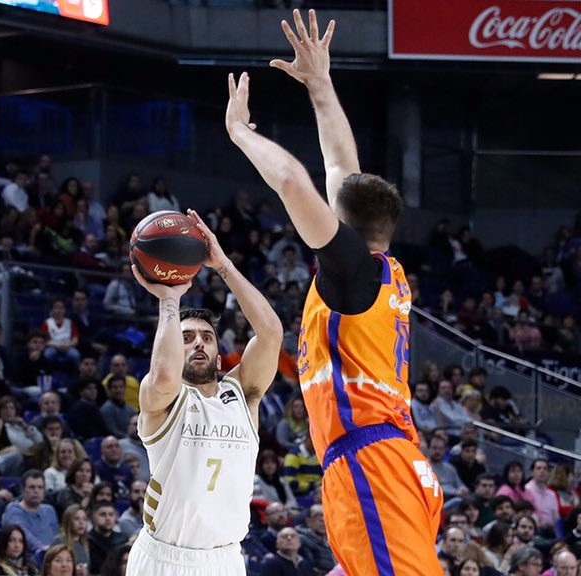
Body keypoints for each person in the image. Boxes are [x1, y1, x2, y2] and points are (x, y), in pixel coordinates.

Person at [233, 9, 442, 574]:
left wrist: (241, 134)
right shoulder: (380, 269)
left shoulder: (352, 275)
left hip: (373, 463)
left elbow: (294, 181)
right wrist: (321, 87)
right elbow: (339, 168)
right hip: (382, 460)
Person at [125, 202, 282, 574]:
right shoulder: (163, 398)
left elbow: (271, 333)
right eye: (187, 337)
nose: (199, 344)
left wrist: (223, 265)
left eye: (207, 338)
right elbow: (165, 375)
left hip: (225, 559)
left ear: (218, 350)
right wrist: (169, 299)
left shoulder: (242, 393)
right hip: (165, 559)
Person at [1, 470, 59, 554]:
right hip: (27, 560)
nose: (36, 491)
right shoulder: (13, 510)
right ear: (23, 490)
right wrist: (45, 551)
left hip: (52, 558)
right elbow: (24, 536)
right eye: (32, 487)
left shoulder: (49, 510)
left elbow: (56, 537)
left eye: (40, 487)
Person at [50, 504, 90, 574]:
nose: (81, 523)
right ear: (68, 521)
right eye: (77, 519)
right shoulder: (59, 542)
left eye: (84, 519)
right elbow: (50, 569)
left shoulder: (85, 543)